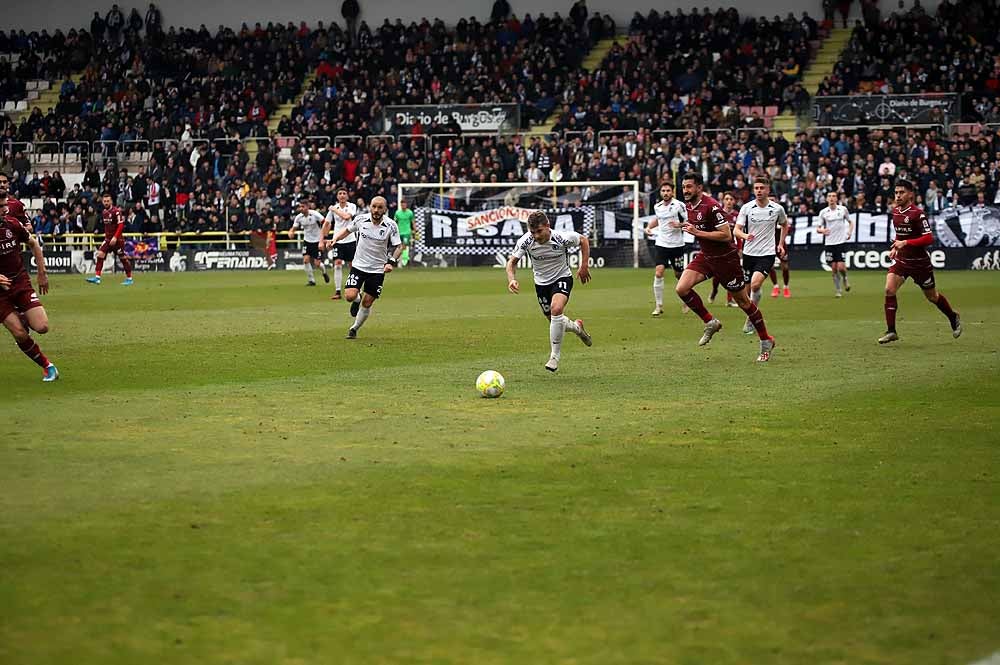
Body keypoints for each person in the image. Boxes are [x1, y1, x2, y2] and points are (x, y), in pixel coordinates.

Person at [676, 173, 775, 362]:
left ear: (699, 187)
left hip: (725, 260)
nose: (685, 191)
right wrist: (682, 225)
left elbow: (727, 235)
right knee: (682, 288)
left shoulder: (712, 206)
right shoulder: (689, 205)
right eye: (683, 187)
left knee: (744, 303)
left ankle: (766, 340)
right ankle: (710, 322)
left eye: (689, 187)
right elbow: (697, 224)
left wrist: (698, 232)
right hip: (707, 257)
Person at [506, 210, 593, 372]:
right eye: (533, 232)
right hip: (541, 285)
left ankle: (554, 357)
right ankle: (577, 328)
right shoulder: (526, 241)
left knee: (557, 309)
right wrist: (512, 279)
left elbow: (583, 240)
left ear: (548, 226)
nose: (536, 236)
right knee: (556, 321)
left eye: (539, 231)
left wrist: (584, 265)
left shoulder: (561, 238)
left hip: (562, 278)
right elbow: (511, 263)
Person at [879, 180, 962, 344]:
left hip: (920, 264)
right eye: (896, 193)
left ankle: (953, 316)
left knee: (932, 297)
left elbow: (929, 238)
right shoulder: (895, 212)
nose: (898, 195)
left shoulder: (918, 214)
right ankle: (891, 331)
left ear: (910, 194)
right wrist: (896, 247)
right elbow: (900, 236)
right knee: (889, 289)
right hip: (902, 260)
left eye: (901, 192)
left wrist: (906, 243)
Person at [320, 196, 400, 339]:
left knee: (368, 303)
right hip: (358, 266)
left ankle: (354, 328)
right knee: (350, 296)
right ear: (370, 207)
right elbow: (347, 230)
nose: (376, 210)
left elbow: (399, 246)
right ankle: (357, 299)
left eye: (380, 207)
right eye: (374, 206)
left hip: (377, 270)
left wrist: (391, 261)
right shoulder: (360, 219)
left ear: (385, 209)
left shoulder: (391, 225)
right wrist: (335, 239)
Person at [0, 201, 58, 382]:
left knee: (42, 327)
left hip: (19, 282)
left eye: (5, 205)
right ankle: (47, 366)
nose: (5, 208)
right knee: (19, 332)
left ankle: (21, 314)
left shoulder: (12, 224)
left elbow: (34, 244)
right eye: (1, 206)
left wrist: (42, 273)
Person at [734, 177, 789, 334]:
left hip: (767, 254)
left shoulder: (777, 209)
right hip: (749, 253)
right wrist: (745, 237)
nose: (759, 190)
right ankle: (753, 314)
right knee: (746, 292)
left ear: (767, 190)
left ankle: (751, 319)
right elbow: (736, 230)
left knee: (756, 284)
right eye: (756, 188)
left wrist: (780, 244)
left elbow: (785, 225)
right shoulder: (746, 208)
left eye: (762, 188)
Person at [643, 181, 687, 316]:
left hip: (677, 245)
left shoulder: (679, 205)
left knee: (679, 275)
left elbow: (689, 221)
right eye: (663, 191)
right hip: (661, 244)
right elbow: (658, 219)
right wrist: (649, 227)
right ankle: (658, 305)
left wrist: (679, 225)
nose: (666, 193)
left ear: (672, 192)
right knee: (658, 272)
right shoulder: (658, 206)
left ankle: (687, 301)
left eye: (668, 191)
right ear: (660, 192)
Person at [86, 193, 134, 285]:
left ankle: (129, 278)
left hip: (118, 240)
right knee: (100, 255)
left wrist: (115, 237)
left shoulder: (116, 211)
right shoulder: (104, 212)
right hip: (108, 239)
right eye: (105, 201)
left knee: (123, 258)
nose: (106, 203)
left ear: (111, 201)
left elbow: (120, 225)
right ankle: (97, 277)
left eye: (108, 201)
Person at [816, 192, 853, 297]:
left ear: (836, 198)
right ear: (827, 199)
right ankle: (838, 290)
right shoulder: (823, 212)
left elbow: (851, 222)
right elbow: (818, 228)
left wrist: (849, 232)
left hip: (840, 242)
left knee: (841, 267)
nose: (831, 198)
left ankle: (845, 278)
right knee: (834, 268)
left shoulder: (843, 210)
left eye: (833, 196)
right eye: (829, 196)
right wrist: (823, 231)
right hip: (829, 243)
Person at [325, 187, 358, 299]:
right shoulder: (333, 209)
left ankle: (355, 288)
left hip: (350, 239)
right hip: (337, 240)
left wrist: (334, 209)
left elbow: (346, 217)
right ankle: (338, 291)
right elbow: (327, 223)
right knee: (337, 264)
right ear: (337, 196)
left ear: (347, 196)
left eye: (344, 193)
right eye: (340, 193)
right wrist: (324, 239)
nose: (342, 195)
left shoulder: (352, 206)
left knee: (352, 265)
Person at [709, 192, 740, 308]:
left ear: (734, 201)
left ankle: (729, 300)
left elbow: (738, 232)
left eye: (731, 199)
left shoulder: (737, 215)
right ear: (723, 201)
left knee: (731, 273)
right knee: (717, 274)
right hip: (718, 247)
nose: (729, 201)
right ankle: (714, 290)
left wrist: (740, 248)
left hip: (731, 248)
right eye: (726, 199)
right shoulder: (718, 214)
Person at [288, 200, 329, 287]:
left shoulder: (314, 214)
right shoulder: (299, 217)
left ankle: (324, 272)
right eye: (300, 207)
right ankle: (311, 280)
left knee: (317, 264)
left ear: (307, 207)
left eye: (303, 207)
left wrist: (324, 235)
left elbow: (325, 222)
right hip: (307, 241)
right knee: (305, 260)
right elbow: (294, 227)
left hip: (317, 241)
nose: (301, 209)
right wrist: (291, 232)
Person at [393, 198, 415, 267]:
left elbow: (413, 222)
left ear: (406, 205)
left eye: (404, 204)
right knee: (399, 246)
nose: (403, 205)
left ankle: (404, 261)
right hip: (399, 232)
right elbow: (394, 222)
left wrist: (415, 229)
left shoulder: (410, 213)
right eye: (402, 204)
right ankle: (400, 260)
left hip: (407, 232)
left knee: (404, 246)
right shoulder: (397, 213)